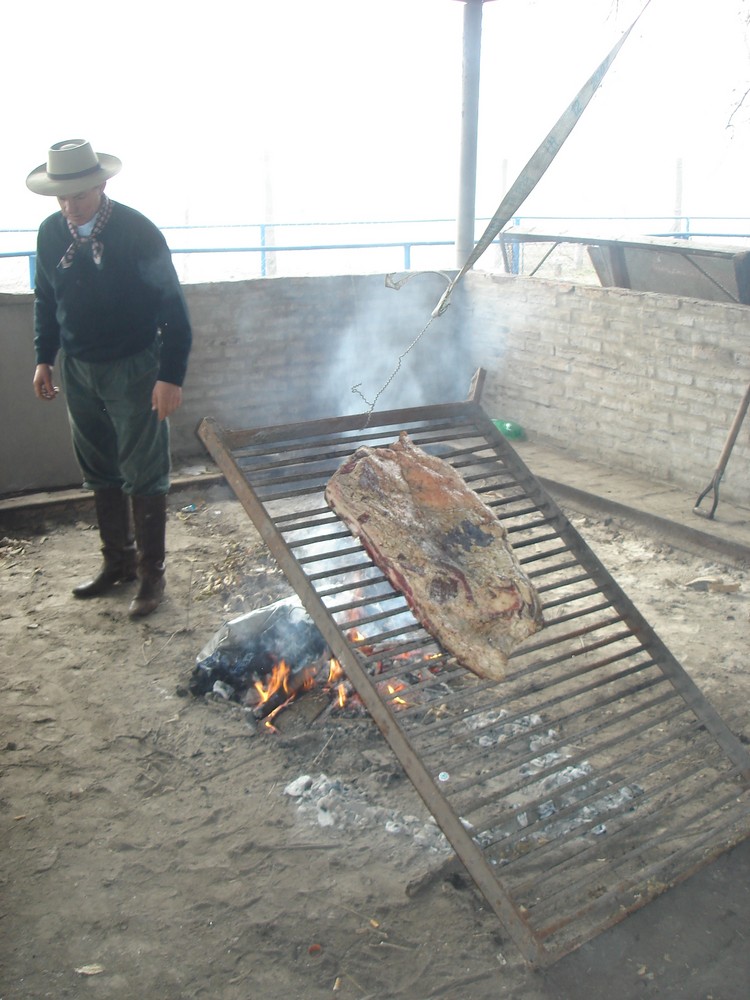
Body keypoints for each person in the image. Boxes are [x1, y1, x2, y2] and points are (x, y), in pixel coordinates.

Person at [27, 139, 192, 618]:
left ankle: (150, 577)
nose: (69, 205)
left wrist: (170, 376)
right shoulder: (50, 233)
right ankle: (116, 562)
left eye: (78, 194)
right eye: (62, 196)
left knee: (144, 468)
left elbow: (173, 307)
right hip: (80, 367)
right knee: (98, 465)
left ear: (101, 184)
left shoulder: (137, 231)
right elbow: (46, 300)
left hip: (134, 365)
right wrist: (44, 357)